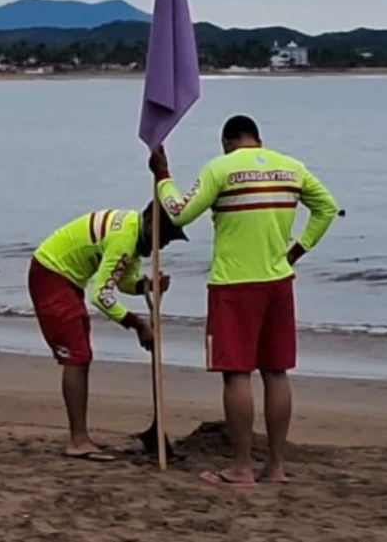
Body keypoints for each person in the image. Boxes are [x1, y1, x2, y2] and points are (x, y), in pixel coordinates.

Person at [149, 115, 339, 487]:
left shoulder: (220, 168)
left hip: (234, 284)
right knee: (276, 371)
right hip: (279, 281)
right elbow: (327, 208)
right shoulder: (292, 167)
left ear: (226, 142)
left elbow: (178, 212)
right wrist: (297, 250)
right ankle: (276, 466)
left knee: (236, 373)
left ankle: (241, 467)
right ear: (258, 140)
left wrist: (163, 176)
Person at [29, 202, 187, 461]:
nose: (162, 246)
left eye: (168, 242)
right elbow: (101, 296)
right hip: (51, 276)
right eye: (164, 238)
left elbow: (121, 281)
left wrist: (145, 286)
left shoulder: (133, 239)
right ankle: (77, 440)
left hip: (66, 280)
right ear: (150, 223)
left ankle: (80, 436)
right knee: (77, 356)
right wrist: (137, 324)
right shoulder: (125, 239)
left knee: (82, 355)